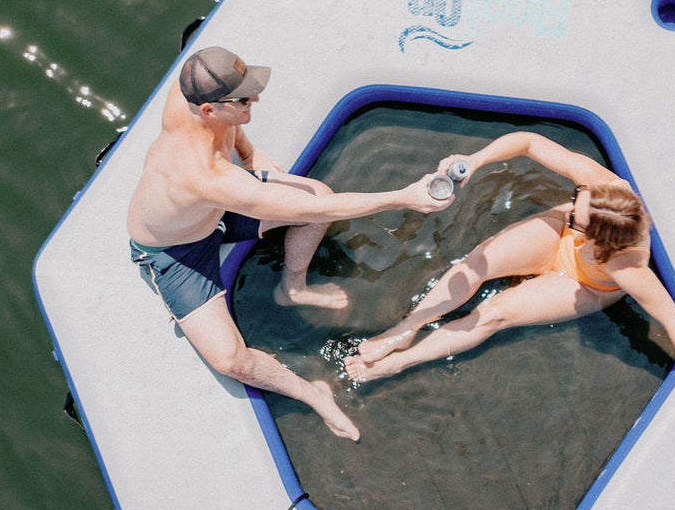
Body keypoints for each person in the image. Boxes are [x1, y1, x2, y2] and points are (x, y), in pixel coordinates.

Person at [127, 46, 453, 441]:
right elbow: (322, 209)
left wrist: (247, 155)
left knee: (316, 195)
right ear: (210, 110)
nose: (256, 101)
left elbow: (237, 132)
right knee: (231, 360)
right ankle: (311, 392)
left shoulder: (192, 92)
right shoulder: (207, 176)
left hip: (213, 214)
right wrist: (404, 197)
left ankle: (292, 287)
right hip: (176, 255)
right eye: (244, 99)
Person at [343, 131, 675, 429]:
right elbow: (528, 142)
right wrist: (475, 160)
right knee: (478, 261)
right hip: (560, 240)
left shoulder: (628, 268)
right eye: (578, 200)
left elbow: (672, 319)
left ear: (602, 241)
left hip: (587, 284)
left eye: (579, 217)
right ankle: (405, 328)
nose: (573, 206)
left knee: (496, 313)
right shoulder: (600, 185)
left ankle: (401, 361)